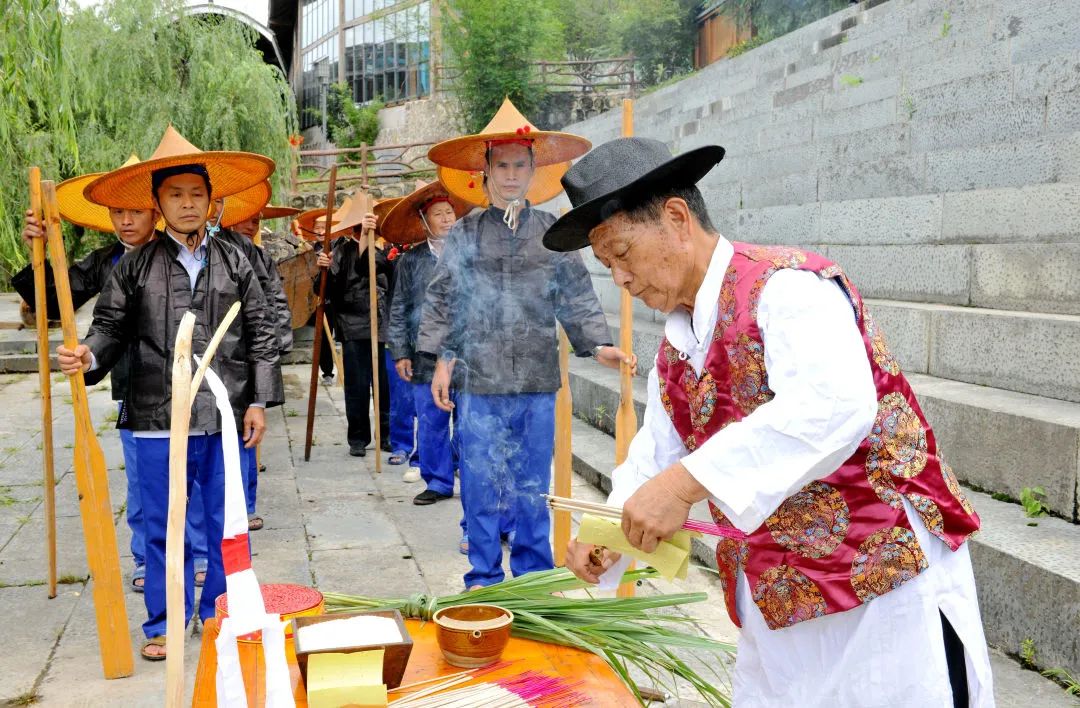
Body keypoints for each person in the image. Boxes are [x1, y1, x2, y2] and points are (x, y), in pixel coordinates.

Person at [546, 137, 994, 707]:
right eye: (607, 265)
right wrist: (609, 529)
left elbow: (832, 405)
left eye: (624, 253)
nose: (621, 280)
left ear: (677, 219)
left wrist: (684, 487)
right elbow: (658, 454)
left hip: (881, 583)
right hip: (781, 599)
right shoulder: (675, 349)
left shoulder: (787, 286)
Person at [61, 125, 284, 661]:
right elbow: (110, 326)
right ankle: (164, 621)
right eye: (175, 195)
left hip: (224, 411)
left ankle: (218, 615)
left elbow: (262, 331)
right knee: (164, 526)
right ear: (157, 203)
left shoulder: (236, 258)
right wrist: (89, 354)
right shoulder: (135, 265)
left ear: (212, 202)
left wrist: (258, 401)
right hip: (155, 413)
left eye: (196, 194)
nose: (187, 204)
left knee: (226, 524)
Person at [419, 99, 634, 589]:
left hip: (536, 380)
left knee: (533, 484)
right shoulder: (467, 233)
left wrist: (598, 343)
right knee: (479, 482)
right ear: (486, 173)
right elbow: (444, 297)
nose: (512, 175)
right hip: (479, 380)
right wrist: (442, 362)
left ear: (533, 170)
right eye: (503, 166)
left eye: (520, 165)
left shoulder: (551, 233)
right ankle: (484, 578)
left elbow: (575, 294)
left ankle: (534, 576)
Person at [13, 155, 158, 593]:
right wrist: (40, 250)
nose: (126, 220)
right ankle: (146, 559)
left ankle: (200, 555)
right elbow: (55, 301)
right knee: (141, 484)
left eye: (136, 210)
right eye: (118, 212)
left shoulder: (184, 253)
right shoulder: (106, 261)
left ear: (156, 211)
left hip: (187, 384)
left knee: (193, 481)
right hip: (134, 387)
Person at [216, 182, 301, 532]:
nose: (251, 225)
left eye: (256, 221)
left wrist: (279, 344)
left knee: (245, 431)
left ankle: (246, 505)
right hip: (210, 355)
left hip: (247, 353)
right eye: (246, 219)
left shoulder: (251, 254)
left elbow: (274, 299)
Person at [384, 180, 471, 508]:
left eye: (450, 212)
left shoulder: (469, 256)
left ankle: (467, 470)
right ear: (424, 221)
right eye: (439, 214)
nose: (447, 219)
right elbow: (399, 307)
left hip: (465, 353)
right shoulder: (410, 261)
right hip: (424, 354)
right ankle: (437, 480)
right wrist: (401, 352)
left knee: (468, 420)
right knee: (432, 422)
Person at [315, 196, 391, 458]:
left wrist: (370, 246)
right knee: (357, 387)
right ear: (355, 230)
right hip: (352, 326)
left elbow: (373, 269)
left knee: (383, 386)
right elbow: (325, 291)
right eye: (362, 228)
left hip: (380, 327)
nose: (366, 232)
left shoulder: (380, 252)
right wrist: (323, 271)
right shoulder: (339, 252)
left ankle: (386, 434)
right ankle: (358, 438)